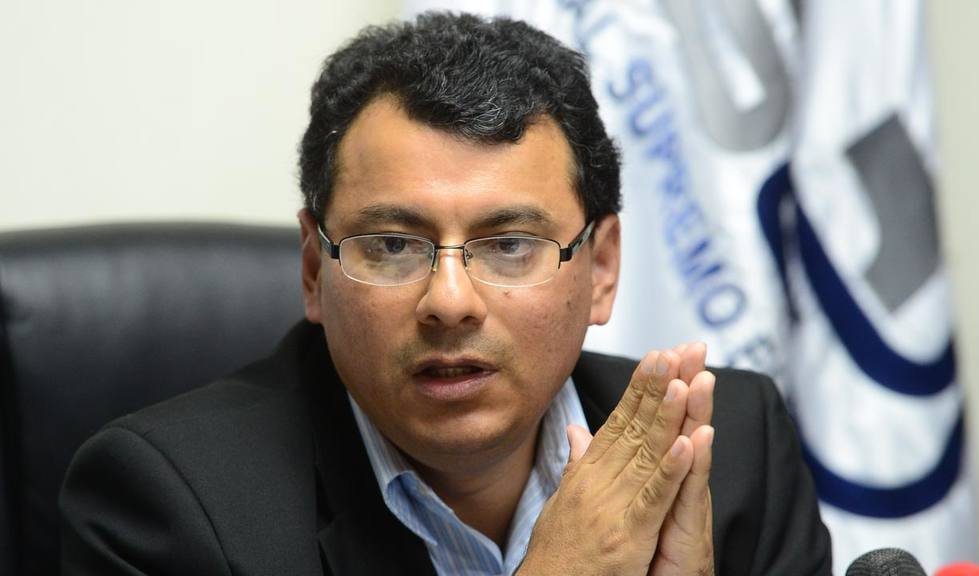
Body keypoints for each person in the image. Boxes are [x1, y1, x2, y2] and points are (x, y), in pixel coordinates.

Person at [60, 12, 831, 576]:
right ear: (313, 270)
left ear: (600, 270)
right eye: (394, 245)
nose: (451, 301)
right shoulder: (171, 508)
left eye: (510, 244)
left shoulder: (728, 458)